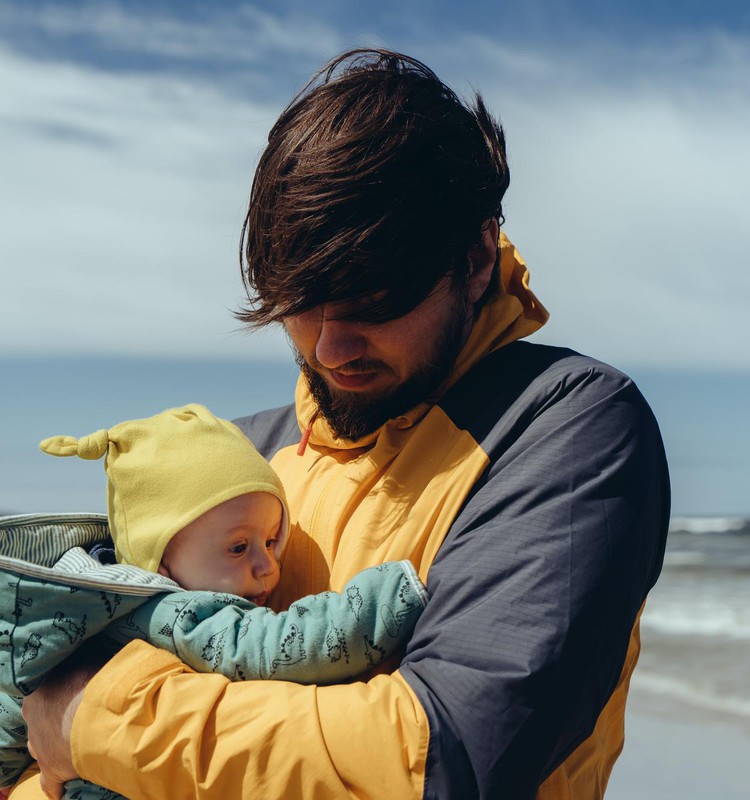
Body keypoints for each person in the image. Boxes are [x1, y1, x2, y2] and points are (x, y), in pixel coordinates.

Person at [18, 48, 670, 800]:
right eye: (298, 304)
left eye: (373, 301)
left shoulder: (566, 426)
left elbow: (444, 758)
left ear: (477, 257)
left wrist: (96, 724)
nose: (329, 350)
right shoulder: (243, 460)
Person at [0, 404, 425, 800]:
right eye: (239, 548)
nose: (267, 566)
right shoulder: (177, 612)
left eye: (272, 540)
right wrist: (389, 596)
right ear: (161, 560)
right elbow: (279, 647)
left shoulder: (91, 604)